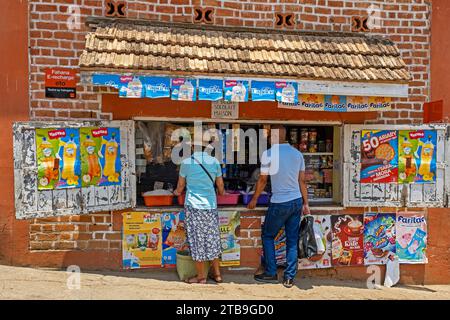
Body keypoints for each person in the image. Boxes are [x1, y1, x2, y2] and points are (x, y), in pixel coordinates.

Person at [247, 125, 310, 288]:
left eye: (269, 136)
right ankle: (289, 278)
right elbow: (301, 181)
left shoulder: (268, 154)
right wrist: (306, 203)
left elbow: (262, 180)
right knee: (292, 240)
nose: (268, 139)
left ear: (274, 137)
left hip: (279, 202)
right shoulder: (297, 154)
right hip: (296, 201)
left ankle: (271, 272)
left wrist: (254, 199)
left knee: (268, 236)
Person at [174, 136, 225, 284]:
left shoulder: (186, 163)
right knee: (212, 240)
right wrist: (220, 193)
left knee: (197, 242)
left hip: (194, 207)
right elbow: (221, 188)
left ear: (192, 148)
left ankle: (201, 277)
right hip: (210, 207)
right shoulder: (214, 162)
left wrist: (175, 193)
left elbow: (180, 187)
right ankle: (217, 275)